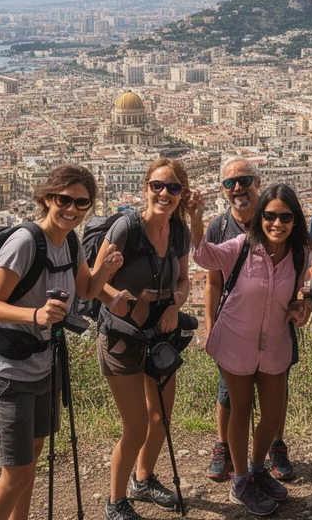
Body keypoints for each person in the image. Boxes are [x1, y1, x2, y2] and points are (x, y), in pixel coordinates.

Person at [0, 164, 123, 520]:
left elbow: (87, 290)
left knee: (32, 457)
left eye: (82, 204)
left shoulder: (70, 242)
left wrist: (105, 270)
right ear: (48, 198)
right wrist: (35, 316)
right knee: (16, 474)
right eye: (64, 200)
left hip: (45, 367)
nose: (72, 210)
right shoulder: (25, 242)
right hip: (10, 372)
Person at [187, 183, 312, 517]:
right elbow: (202, 255)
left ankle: (257, 469)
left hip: (274, 344)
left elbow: (301, 291)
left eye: (285, 216)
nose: (277, 223)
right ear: (260, 218)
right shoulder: (242, 246)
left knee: (273, 414)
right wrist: (196, 217)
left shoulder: (300, 254)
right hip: (235, 341)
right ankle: (241, 481)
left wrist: (303, 304)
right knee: (240, 410)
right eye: (269, 216)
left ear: (295, 220)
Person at [92, 158, 194, 520]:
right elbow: (92, 280)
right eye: (157, 186)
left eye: (173, 188)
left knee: (160, 417)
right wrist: (114, 301)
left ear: (182, 194)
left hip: (161, 331)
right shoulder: (125, 228)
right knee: (135, 426)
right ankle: (115, 501)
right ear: (145, 188)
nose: (164, 193)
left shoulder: (180, 232)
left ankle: (144, 479)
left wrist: (175, 305)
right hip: (121, 336)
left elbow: (183, 279)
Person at [202, 158, 296, 483]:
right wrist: (210, 326)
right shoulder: (219, 227)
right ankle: (225, 448)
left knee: (275, 394)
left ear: (257, 181)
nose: (238, 188)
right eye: (230, 183)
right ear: (223, 190)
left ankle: (275, 447)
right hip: (235, 328)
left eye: (243, 180)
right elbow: (213, 281)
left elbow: (305, 267)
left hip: (276, 324)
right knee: (229, 395)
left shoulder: (275, 217)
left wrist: (304, 299)